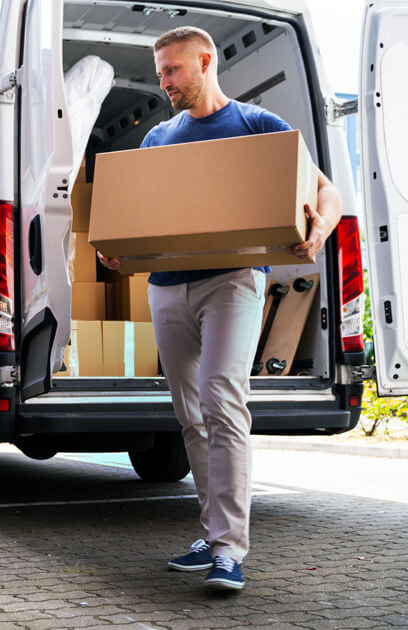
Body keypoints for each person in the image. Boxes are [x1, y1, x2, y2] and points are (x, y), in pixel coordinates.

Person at [98, 26, 342, 590]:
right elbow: (133, 215)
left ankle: (230, 549)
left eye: (172, 71)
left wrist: (320, 228)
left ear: (206, 62)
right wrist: (117, 248)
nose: (163, 83)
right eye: (159, 72)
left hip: (232, 281)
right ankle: (211, 535)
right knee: (190, 413)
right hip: (166, 286)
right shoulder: (157, 137)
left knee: (222, 402)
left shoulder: (256, 126)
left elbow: (326, 190)